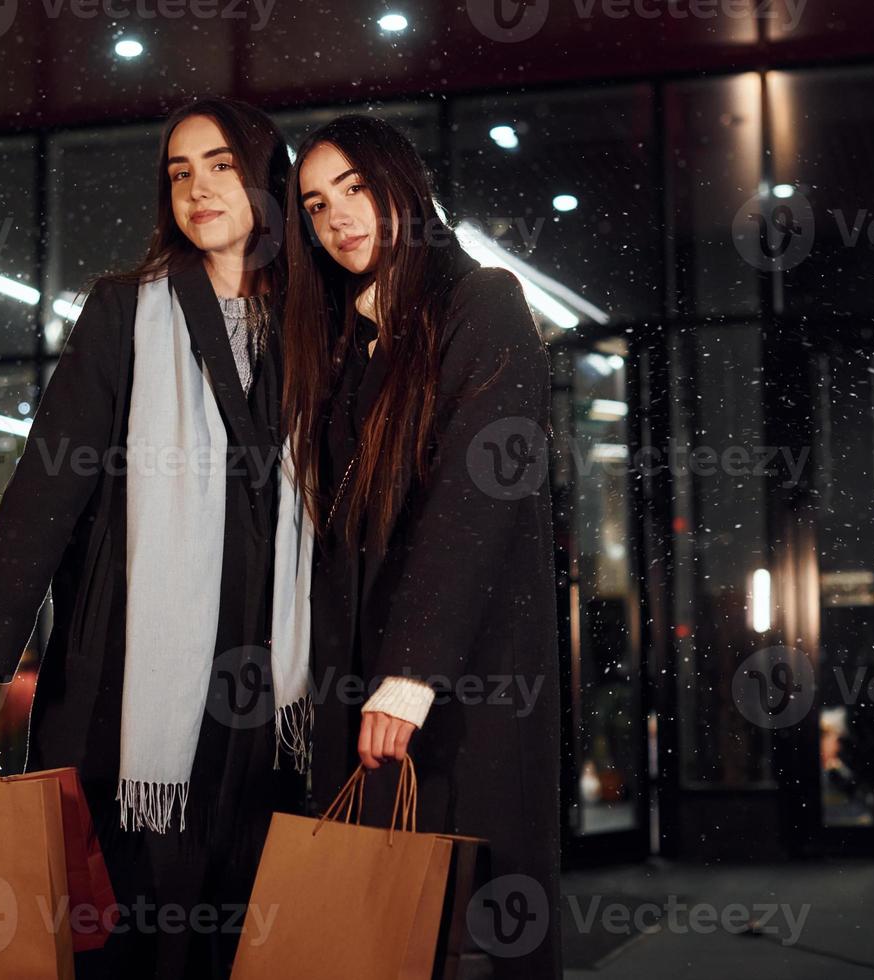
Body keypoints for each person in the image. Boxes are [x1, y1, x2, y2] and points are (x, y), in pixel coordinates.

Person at [0, 96, 310, 980]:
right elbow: (47, 487)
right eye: (180, 173)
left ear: (266, 181)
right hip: (137, 656)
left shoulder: (316, 322)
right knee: (138, 910)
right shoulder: (124, 311)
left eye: (219, 165)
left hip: (279, 664)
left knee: (257, 905)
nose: (199, 188)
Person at [281, 113, 563, 978]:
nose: (338, 219)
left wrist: (409, 673)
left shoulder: (481, 301)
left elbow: (477, 501)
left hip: (465, 675)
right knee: (378, 922)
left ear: (404, 185)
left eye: (355, 189)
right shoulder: (343, 336)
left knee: (474, 921)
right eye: (316, 205)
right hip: (366, 673)